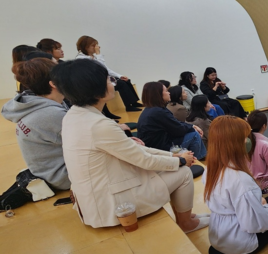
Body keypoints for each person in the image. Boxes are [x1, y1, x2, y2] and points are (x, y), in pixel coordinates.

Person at [51, 59, 209, 233]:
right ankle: (186, 223)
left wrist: (173, 156)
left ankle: (186, 217)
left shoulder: (74, 115)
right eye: (109, 80)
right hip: (113, 202)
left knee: (173, 165)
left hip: (96, 194)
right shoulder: (98, 125)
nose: (113, 84)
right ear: (95, 88)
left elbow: (135, 150)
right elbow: (144, 160)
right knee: (184, 173)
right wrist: (180, 161)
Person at [205, 116, 268, 254]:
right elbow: (253, 224)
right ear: (232, 143)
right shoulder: (240, 180)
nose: (248, 141)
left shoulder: (211, 169)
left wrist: (257, 203)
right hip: (240, 243)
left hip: (219, 236)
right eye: (244, 137)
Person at [1, 58, 70, 190]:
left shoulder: (29, 103)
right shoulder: (51, 114)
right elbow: (91, 142)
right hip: (61, 176)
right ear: (54, 83)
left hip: (46, 172)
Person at [137, 82, 207, 160]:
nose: (169, 93)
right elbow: (178, 129)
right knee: (195, 134)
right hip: (159, 148)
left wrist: (192, 126)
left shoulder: (151, 109)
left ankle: (200, 158)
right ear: (159, 94)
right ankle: (195, 162)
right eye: (166, 91)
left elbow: (175, 124)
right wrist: (192, 128)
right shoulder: (159, 112)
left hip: (153, 144)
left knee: (192, 131)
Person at [74, 36, 143, 112]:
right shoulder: (81, 59)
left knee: (126, 80)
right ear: (86, 47)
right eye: (93, 45)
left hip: (103, 80)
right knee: (121, 84)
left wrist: (120, 76)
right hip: (96, 84)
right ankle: (129, 106)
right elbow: (100, 68)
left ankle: (134, 102)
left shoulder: (93, 56)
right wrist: (98, 54)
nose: (97, 47)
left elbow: (106, 69)